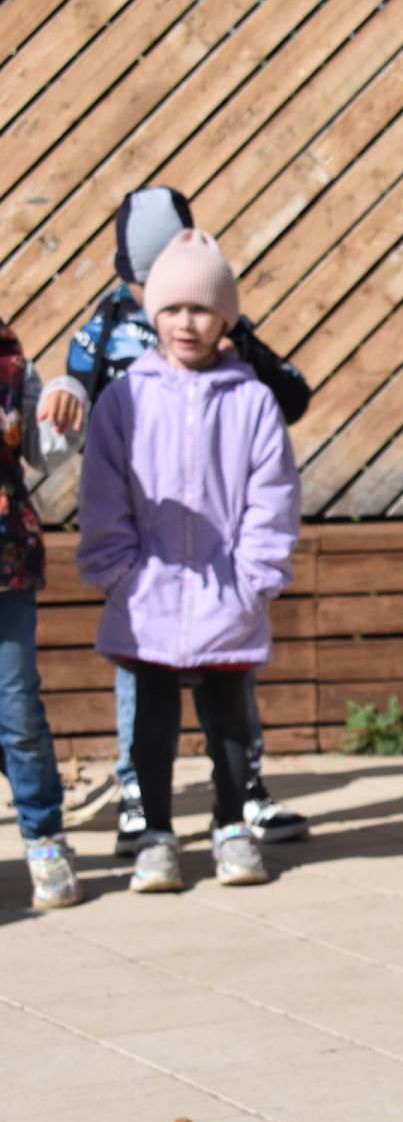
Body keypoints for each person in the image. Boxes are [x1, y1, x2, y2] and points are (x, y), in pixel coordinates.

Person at [41, 187, 310, 853]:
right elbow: (77, 388)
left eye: (199, 308)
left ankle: (240, 798)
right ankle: (142, 801)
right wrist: (115, 570)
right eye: (144, 284)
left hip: (224, 572)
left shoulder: (234, 348)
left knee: (230, 695)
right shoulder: (104, 332)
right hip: (147, 563)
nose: (180, 319)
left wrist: (255, 575)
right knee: (145, 695)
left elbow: (285, 410)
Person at [0, 316, 85, 908]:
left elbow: (43, 443)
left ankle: (44, 837)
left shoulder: (8, 359)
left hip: (6, 567)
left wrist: (66, 396)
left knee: (17, 707)